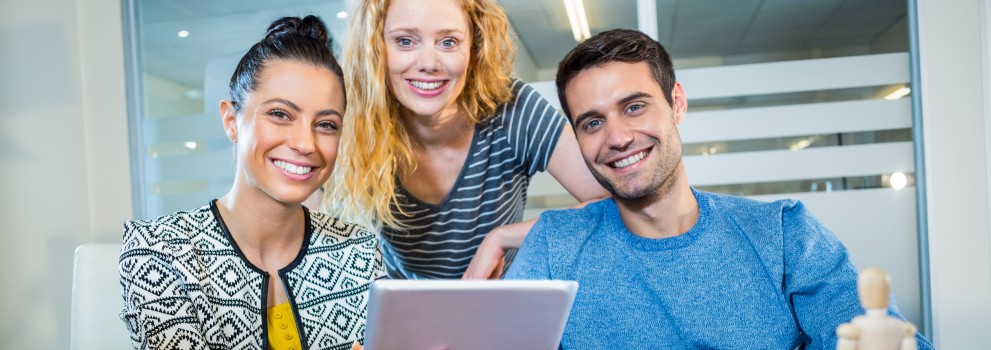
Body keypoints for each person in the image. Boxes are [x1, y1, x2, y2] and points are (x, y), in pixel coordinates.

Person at [504, 29, 934, 350]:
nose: (617, 137)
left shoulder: (785, 235)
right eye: (592, 122)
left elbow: (876, 336)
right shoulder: (553, 248)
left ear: (677, 103)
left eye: (634, 107)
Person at [118, 16, 383, 349]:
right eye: (280, 114)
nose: (305, 143)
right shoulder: (161, 251)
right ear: (231, 121)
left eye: (326, 124)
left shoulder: (357, 253)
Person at [327, 0, 608, 280]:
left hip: (496, 310)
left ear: (474, 46)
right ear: (376, 48)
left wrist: (503, 237)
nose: (428, 64)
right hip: (406, 310)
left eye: (448, 42)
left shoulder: (512, 108)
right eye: (405, 41)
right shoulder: (354, 119)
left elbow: (614, 200)